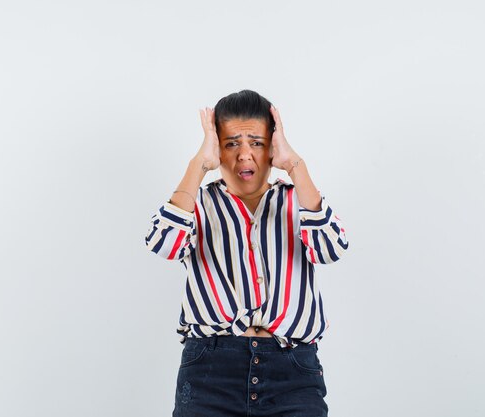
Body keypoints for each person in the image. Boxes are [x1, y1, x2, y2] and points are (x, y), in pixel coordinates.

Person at [144, 89, 349, 417]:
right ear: (217, 149)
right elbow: (164, 243)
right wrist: (198, 164)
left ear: (272, 146)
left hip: (293, 369)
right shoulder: (196, 204)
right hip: (210, 370)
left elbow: (330, 248)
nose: (244, 155)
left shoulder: (299, 200)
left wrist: (296, 165)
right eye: (230, 143)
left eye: (256, 142)